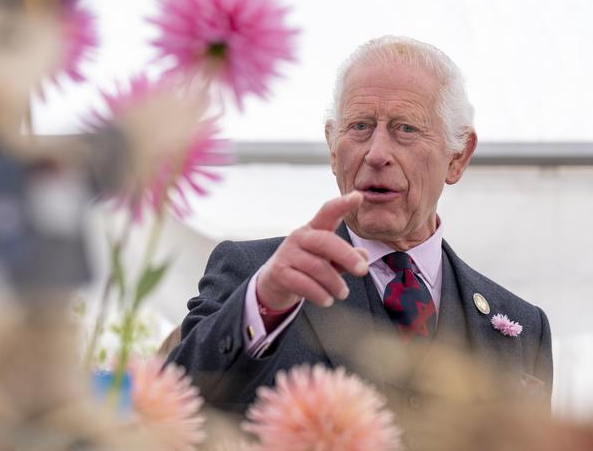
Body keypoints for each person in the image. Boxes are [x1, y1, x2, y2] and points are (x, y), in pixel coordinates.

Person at [168, 36, 553, 436]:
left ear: (458, 157)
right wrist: (263, 302)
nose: (376, 153)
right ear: (333, 150)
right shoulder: (256, 275)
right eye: (360, 127)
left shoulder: (523, 328)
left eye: (405, 128)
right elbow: (177, 409)